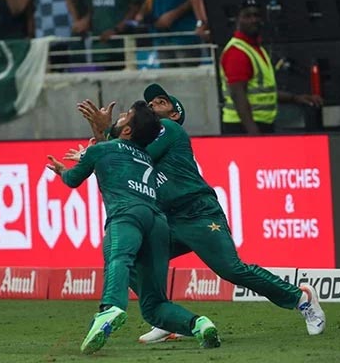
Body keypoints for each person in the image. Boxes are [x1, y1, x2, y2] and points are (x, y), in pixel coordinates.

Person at [74, 83, 326, 344]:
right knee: (131, 259)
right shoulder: (137, 142)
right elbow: (121, 159)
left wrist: (103, 133)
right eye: (150, 103)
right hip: (166, 220)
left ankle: (300, 298)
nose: (152, 105)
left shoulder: (169, 129)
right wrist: (102, 135)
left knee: (231, 269)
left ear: (174, 116)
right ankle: (164, 316)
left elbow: (126, 156)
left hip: (197, 214)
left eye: (162, 102)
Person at [47, 100, 221, 354]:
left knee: (118, 257)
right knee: (154, 305)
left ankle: (110, 309)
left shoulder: (102, 151)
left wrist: (64, 170)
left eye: (125, 116)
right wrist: (100, 138)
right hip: (159, 224)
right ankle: (198, 324)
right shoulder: (147, 155)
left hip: (127, 215)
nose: (119, 117)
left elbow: (74, 180)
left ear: (127, 131)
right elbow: (116, 155)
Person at [220, 0, 322, 135]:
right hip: (242, 126)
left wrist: (295, 98)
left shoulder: (257, 49)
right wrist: (253, 132)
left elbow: (264, 92)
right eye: (247, 16)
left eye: (256, 15)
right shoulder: (237, 52)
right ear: (238, 20)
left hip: (261, 123)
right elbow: (238, 95)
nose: (253, 20)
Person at [74, 0, 141, 68]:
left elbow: (135, 8)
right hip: (98, 47)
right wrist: (85, 22)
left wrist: (116, 30)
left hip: (121, 47)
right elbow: (91, 10)